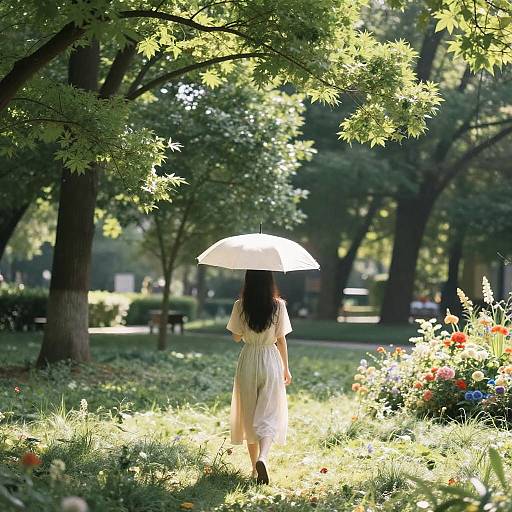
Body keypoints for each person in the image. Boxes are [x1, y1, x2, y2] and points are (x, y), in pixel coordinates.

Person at [227, 270, 292, 485]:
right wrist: (286, 368)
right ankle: (264, 457)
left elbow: (236, 337)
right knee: (269, 413)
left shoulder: (240, 305)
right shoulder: (278, 305)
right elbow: (281, 340)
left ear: (248, 282)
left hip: (248, 360)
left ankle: (255, 468)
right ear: (269, 282)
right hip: (271, 359)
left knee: (249, 414)